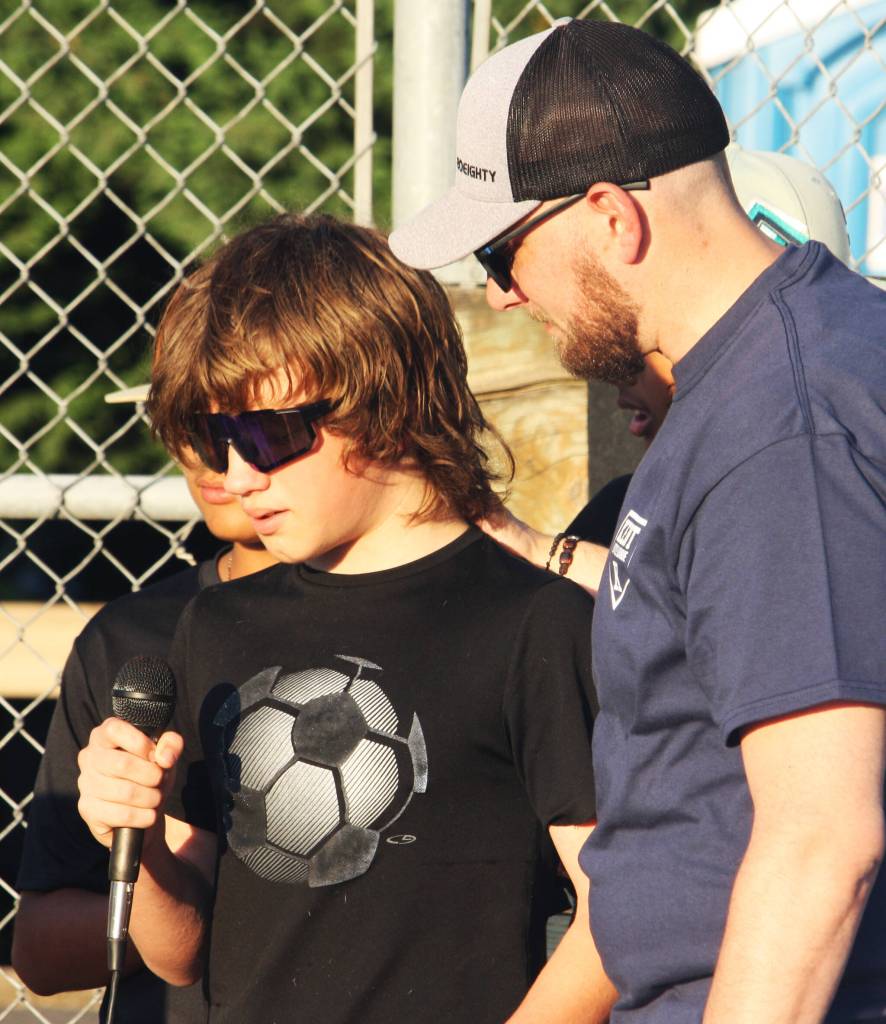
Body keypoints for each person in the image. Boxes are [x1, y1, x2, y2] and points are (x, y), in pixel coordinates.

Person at [390, 17, 886, 1024]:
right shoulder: (748, 380)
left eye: (502, 250)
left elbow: (820, 839)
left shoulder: (780, 424)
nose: (496, 293)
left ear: (612, 215)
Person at [73, 213, 611, 1023]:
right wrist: (137, 841)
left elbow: (618, 911)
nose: (238, 473)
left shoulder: (529, 623)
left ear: (388, 401)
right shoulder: (217, 626)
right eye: (216, 439)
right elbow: (180, 953)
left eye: (269, 432)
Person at [11, 263, 278, 1023]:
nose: (220, 461)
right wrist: (171, 889)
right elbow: (39, 950)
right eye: (190, 428)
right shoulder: (133, 641)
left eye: (256, 427)